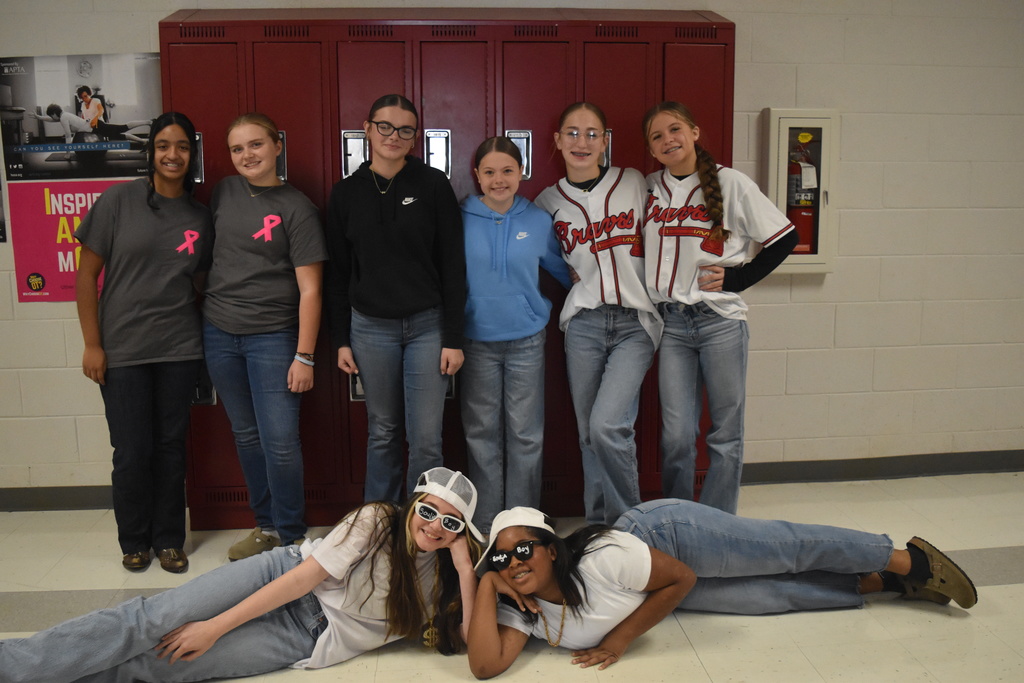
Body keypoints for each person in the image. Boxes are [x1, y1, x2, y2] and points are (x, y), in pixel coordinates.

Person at [0, 467, 485, 683]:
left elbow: (471, 646)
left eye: (451, 522)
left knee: (160, 666)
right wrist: (215, 626)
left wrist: (464, 568)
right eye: (428, 510)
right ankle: (13, 666)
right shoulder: (377, 520)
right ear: (412, 505)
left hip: (309, 636)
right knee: (149, 620)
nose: (434, 527)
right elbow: (301, 580)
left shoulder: (447, 573)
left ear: (462, 531)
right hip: (283, 575)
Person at [467, 503, 978, 678]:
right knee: (773, 598)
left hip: (664, 539)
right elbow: (486, 667)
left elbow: (681, 577)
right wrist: (485, 583)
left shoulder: (603, 556)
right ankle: (889, 582)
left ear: (551, 548)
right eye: (502, 558)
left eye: (524, 550)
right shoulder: (522, 608)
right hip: (654, 593)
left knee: (784, 548)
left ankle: (910, 558)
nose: (514, 563)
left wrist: (620, 641)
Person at [643, 101, 799, 514]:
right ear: (652, 150)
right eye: (657, 136)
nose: (667, 140)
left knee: (725, 433)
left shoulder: (731, 183)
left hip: (721, 322)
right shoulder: (649, 188)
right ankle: (677, 518)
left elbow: (784, 237)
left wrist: (737, 278)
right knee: (676, 434)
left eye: (674, 129)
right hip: (673, 323)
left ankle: (718, 522)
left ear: (694, 132)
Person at [74, 111, 212, 573]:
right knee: (131, 451)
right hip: (124, 351)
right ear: (150, 152)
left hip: (179, 348)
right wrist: (93, 345)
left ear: (192, 155)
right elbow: (86, 276)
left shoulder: (199, 216)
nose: (173, 155)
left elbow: (199, 283)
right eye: (163, 146)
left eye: (182, 147)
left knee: (171, 448)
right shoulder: (117, 202)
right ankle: (133, 540)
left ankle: (169, 538)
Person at [325, 94, 466, 503]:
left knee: (426, 438)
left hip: (428, 326)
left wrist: (453, 337)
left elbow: (453, 266)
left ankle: (420, 534)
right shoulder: (345, 194)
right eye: (384, 126)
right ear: (367, 129)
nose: (393, 136)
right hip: (370, 329)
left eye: (405, 130)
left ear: (414, 137)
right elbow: (338, 273)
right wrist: (341, 339)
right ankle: (379, 527)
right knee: (382, 432)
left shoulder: (433, 185)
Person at [202, 112, 327, 561]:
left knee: (279, 439)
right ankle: (265, 526)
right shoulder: (223, 192)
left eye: (256, 145)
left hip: (273, 337)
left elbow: (311, 288)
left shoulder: (298, 207)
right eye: (237, 148)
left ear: (277, 145)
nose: (247, 155)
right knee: (246, 435)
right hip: (219, 332)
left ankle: (290, 535)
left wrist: (305, 355)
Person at [534, 102, 661, 526]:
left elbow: (667, 237)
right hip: (584, 324)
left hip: (634, 324)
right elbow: (550, 260)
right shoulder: (548, 200)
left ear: (606, 140)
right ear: (557, 141)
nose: (581, 142)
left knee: (609, 427)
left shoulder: (634, 182)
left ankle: (632, 528)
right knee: (590, 435)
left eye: (592, 133)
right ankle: (598, 528)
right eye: (572, 133)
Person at [460, 136, 573, 533]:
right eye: (489, 172)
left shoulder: (537, 219)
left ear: (521, 172)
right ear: (477, 176)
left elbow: (566, 271)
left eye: (507, 171)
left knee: (525, 434)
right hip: (476, 341)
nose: (499, 180)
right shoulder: (460, 217)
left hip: (527, 339)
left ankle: (521, 521)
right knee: (481, 434)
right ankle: (490, 522)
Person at [29, 104, 150, 144]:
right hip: (96, 128)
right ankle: (144, 141)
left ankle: (148, 122)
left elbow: (67, 135)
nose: (51, 118)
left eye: (51, 115)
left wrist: (68, 153)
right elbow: (52, 120)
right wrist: (39, 117)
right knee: (120, 136)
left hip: (97, 127)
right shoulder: (63, 116)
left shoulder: (64, 117)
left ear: (55, 113)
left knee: (123, 128)